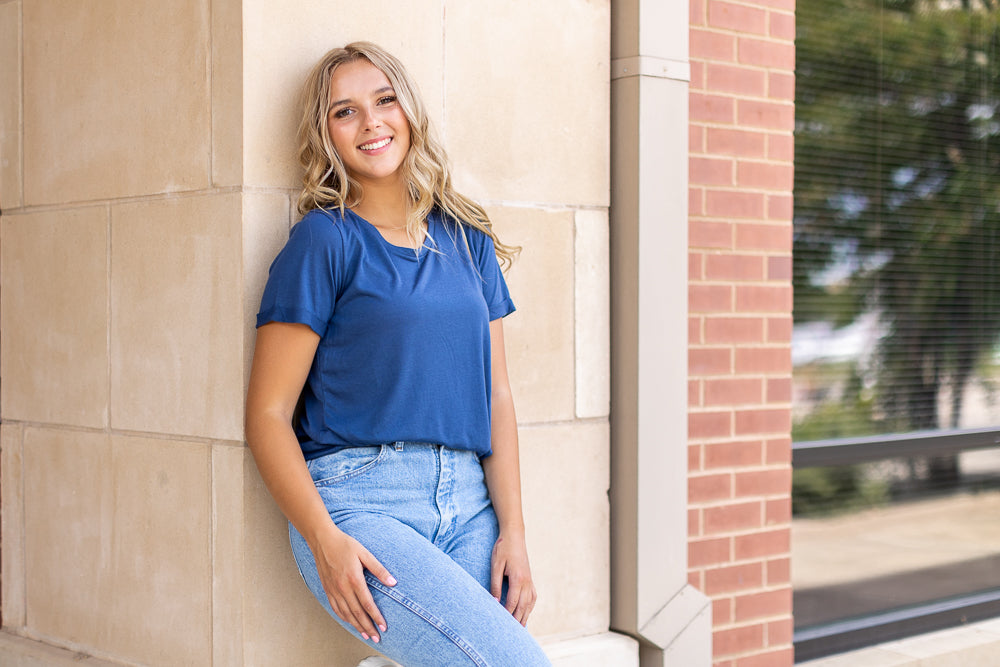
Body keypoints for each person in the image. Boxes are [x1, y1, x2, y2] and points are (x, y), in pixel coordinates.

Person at [245, 42, 552, 667]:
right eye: (345, 111)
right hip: (360, 506)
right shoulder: (322, 242)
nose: (371, 122)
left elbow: (496, 395)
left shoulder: (466, 240)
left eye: (385, 101)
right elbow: (268, 415)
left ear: (409, 111)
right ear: (326, 134)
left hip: (469, 505)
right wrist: (323, 539)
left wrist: (514, 532)